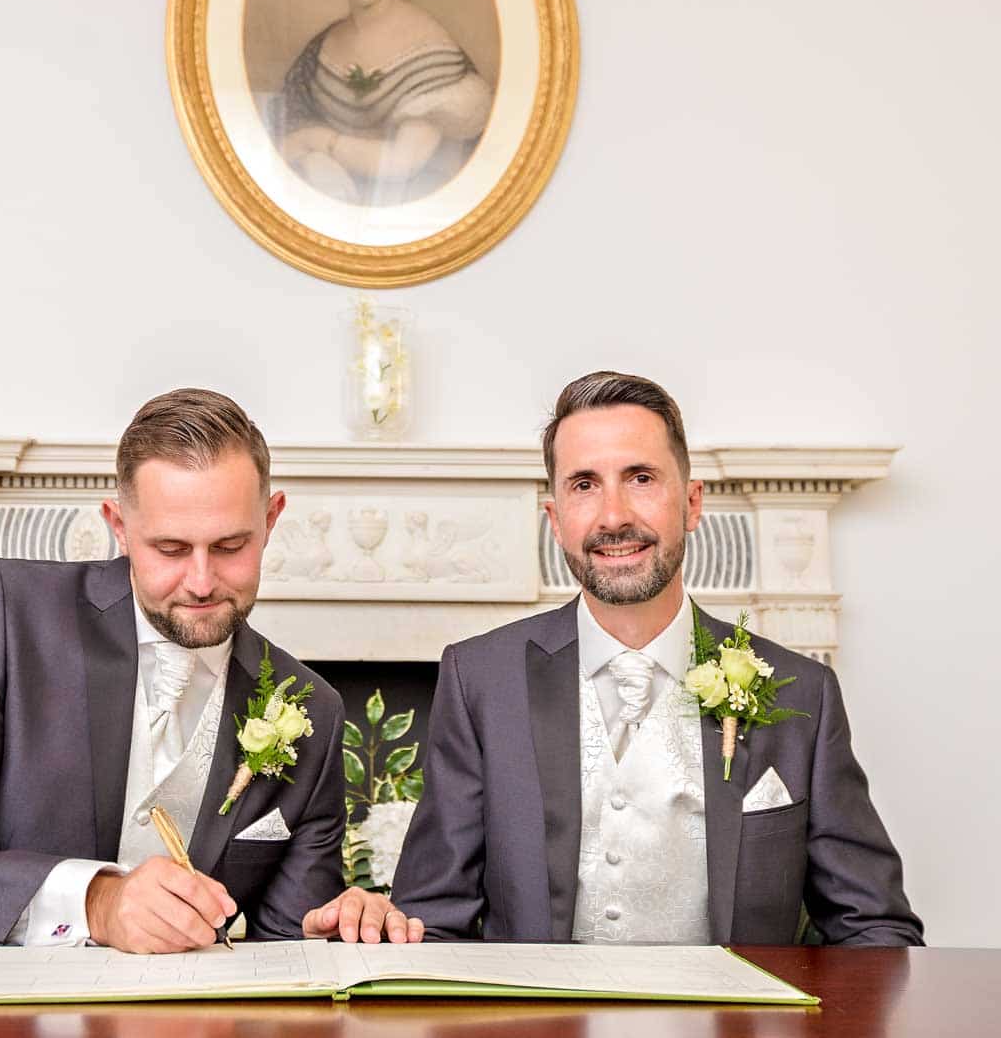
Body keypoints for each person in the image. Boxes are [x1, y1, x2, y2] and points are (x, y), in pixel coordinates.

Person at [0, 388, 421, 951]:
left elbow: (286, 942)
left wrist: (343, 924)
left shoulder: (312, 709)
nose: (202, 582)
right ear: (120, 526)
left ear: (271, 519)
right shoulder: (6, 615)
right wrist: (97, 901)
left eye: (230, 546)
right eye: (171, 548)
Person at [390, 372, 923, 946]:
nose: (613, 516)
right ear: (556, 519)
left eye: (640, 478)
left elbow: (875, 928)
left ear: (692, 503)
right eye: (584, 485)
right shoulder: (480, 680)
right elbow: (431, 922)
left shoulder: (803, 692)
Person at [276, 0, 494, 206]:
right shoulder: (319, 50)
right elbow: (285, 134)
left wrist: (319, 142)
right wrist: (314, 163)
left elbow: (399, 165)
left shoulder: (431, 48)